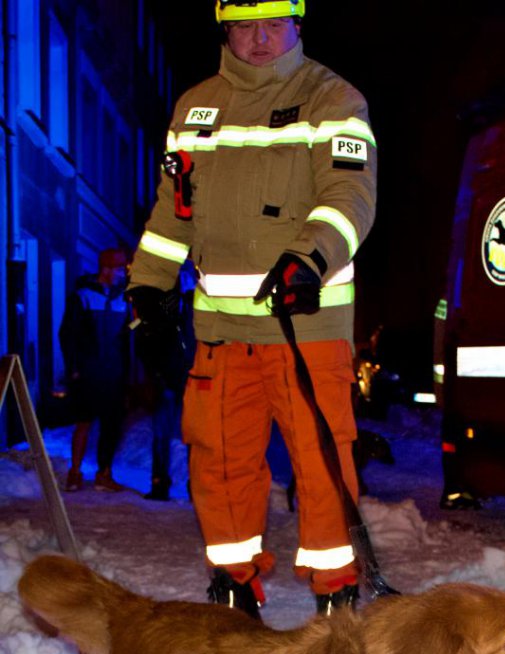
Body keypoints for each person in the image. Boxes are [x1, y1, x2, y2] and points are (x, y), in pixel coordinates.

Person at [127, 0, 376, 617]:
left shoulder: (333, 99)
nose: (259, 40)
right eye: (245, 26)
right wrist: (148, 289)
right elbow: (172, 213)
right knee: (219, 464)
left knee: (321, 467)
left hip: (304, 329)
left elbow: (351, 196)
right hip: (219, 332)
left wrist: (309, 259)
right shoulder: (194, 108)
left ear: (297, 25)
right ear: (225, 28)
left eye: (273, 25)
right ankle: (233, 586)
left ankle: (336, 594)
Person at [60, 248, 130, 493]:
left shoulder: (124, 298)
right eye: (119, 269)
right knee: (84, 422)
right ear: (106, 269)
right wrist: (75, 368)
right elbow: (68, 335)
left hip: (113, 372)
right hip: (89, 371)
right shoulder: (83, 296)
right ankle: (75, 472)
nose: (122, 273)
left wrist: (127, 371)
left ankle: (104, 473)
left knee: (111, 424)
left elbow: (127, 336)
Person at [133, 260, 197, 501]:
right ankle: (161, 483)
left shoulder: (192, 306)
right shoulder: (159, 307)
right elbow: (144, 340)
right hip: (167, 379)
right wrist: (154, 373)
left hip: (189, 377)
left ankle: (194, 485)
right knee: (163, 434)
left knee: (192, 433)